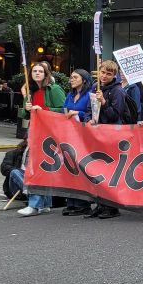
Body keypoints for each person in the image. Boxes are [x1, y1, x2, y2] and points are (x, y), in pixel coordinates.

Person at [16, 61, 65, 215]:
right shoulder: (30, 92)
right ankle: (44, 204)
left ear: (46, 74)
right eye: (34, 71)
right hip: (34, 132)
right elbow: (25, 115)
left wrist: (43, 109)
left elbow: (64, 110)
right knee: (39, 168)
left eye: (40, 71)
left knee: (37, 167)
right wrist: (26, 109)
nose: (37, 73)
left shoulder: (54, 89)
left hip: (49, 133)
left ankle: (34, 205)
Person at [85, 60, 128, 220]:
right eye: (103, 72)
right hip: (96, 134)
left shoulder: (118, 91)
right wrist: (89, 119)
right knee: (97, 169)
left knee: (109, 172)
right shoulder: (95, 87)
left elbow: (115, 115)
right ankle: (100, 204)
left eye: (108, 74)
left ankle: (111, 207)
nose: (104, 76)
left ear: (114, 75)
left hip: (111, 136)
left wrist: (103, 102)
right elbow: (89, 108)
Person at [61, 68, 94, 216]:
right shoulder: (70, 94)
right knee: (70, 168)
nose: (72, 80)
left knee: (81, 169)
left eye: (75, 77)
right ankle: (72, 202)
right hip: (70, 135)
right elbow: (64, 109)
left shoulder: (90, 95)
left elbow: (92, 113)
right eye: (71, 77)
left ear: (84, 80)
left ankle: (83, 204)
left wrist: (78, 113)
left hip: (84, 136)